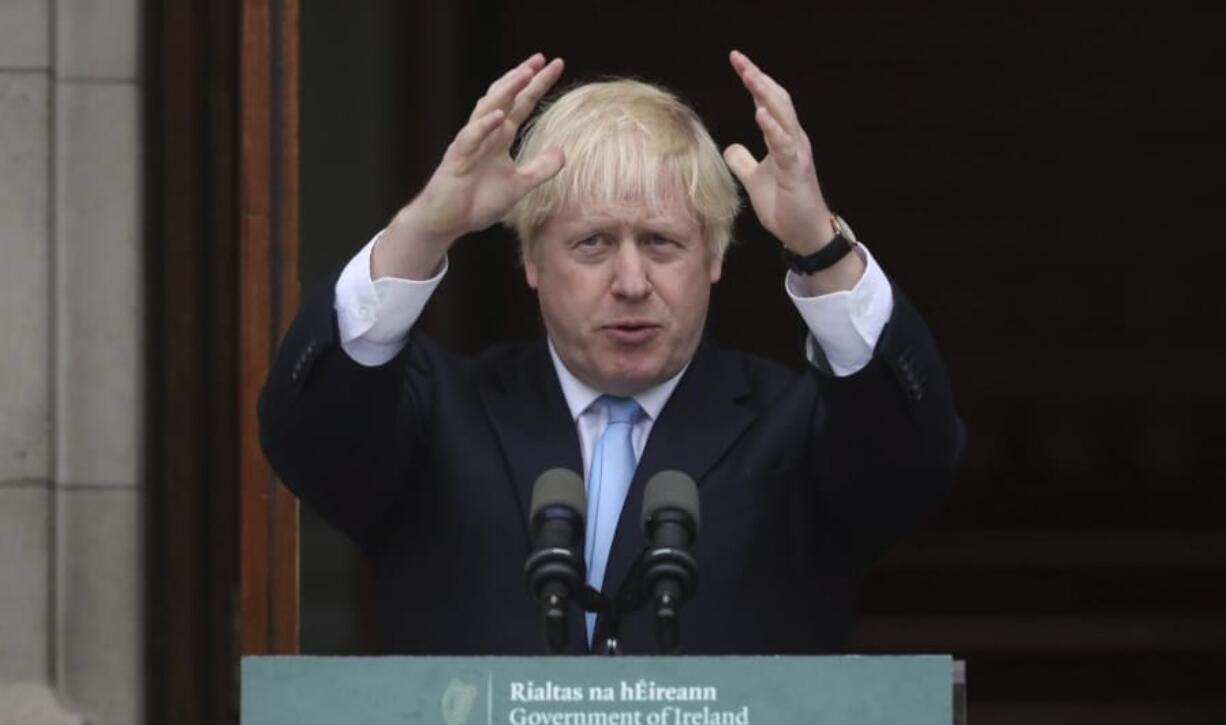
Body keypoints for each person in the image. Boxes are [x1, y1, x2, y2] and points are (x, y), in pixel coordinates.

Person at [259, 51, 962, 656]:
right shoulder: (440, 414)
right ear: (531, 257)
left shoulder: (799, 423)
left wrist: (822, 248)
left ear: (714, 255)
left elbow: (915, 455)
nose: (631, 283)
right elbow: (307, 433)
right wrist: (421, 232)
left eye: (662, 242)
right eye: (592, 243)